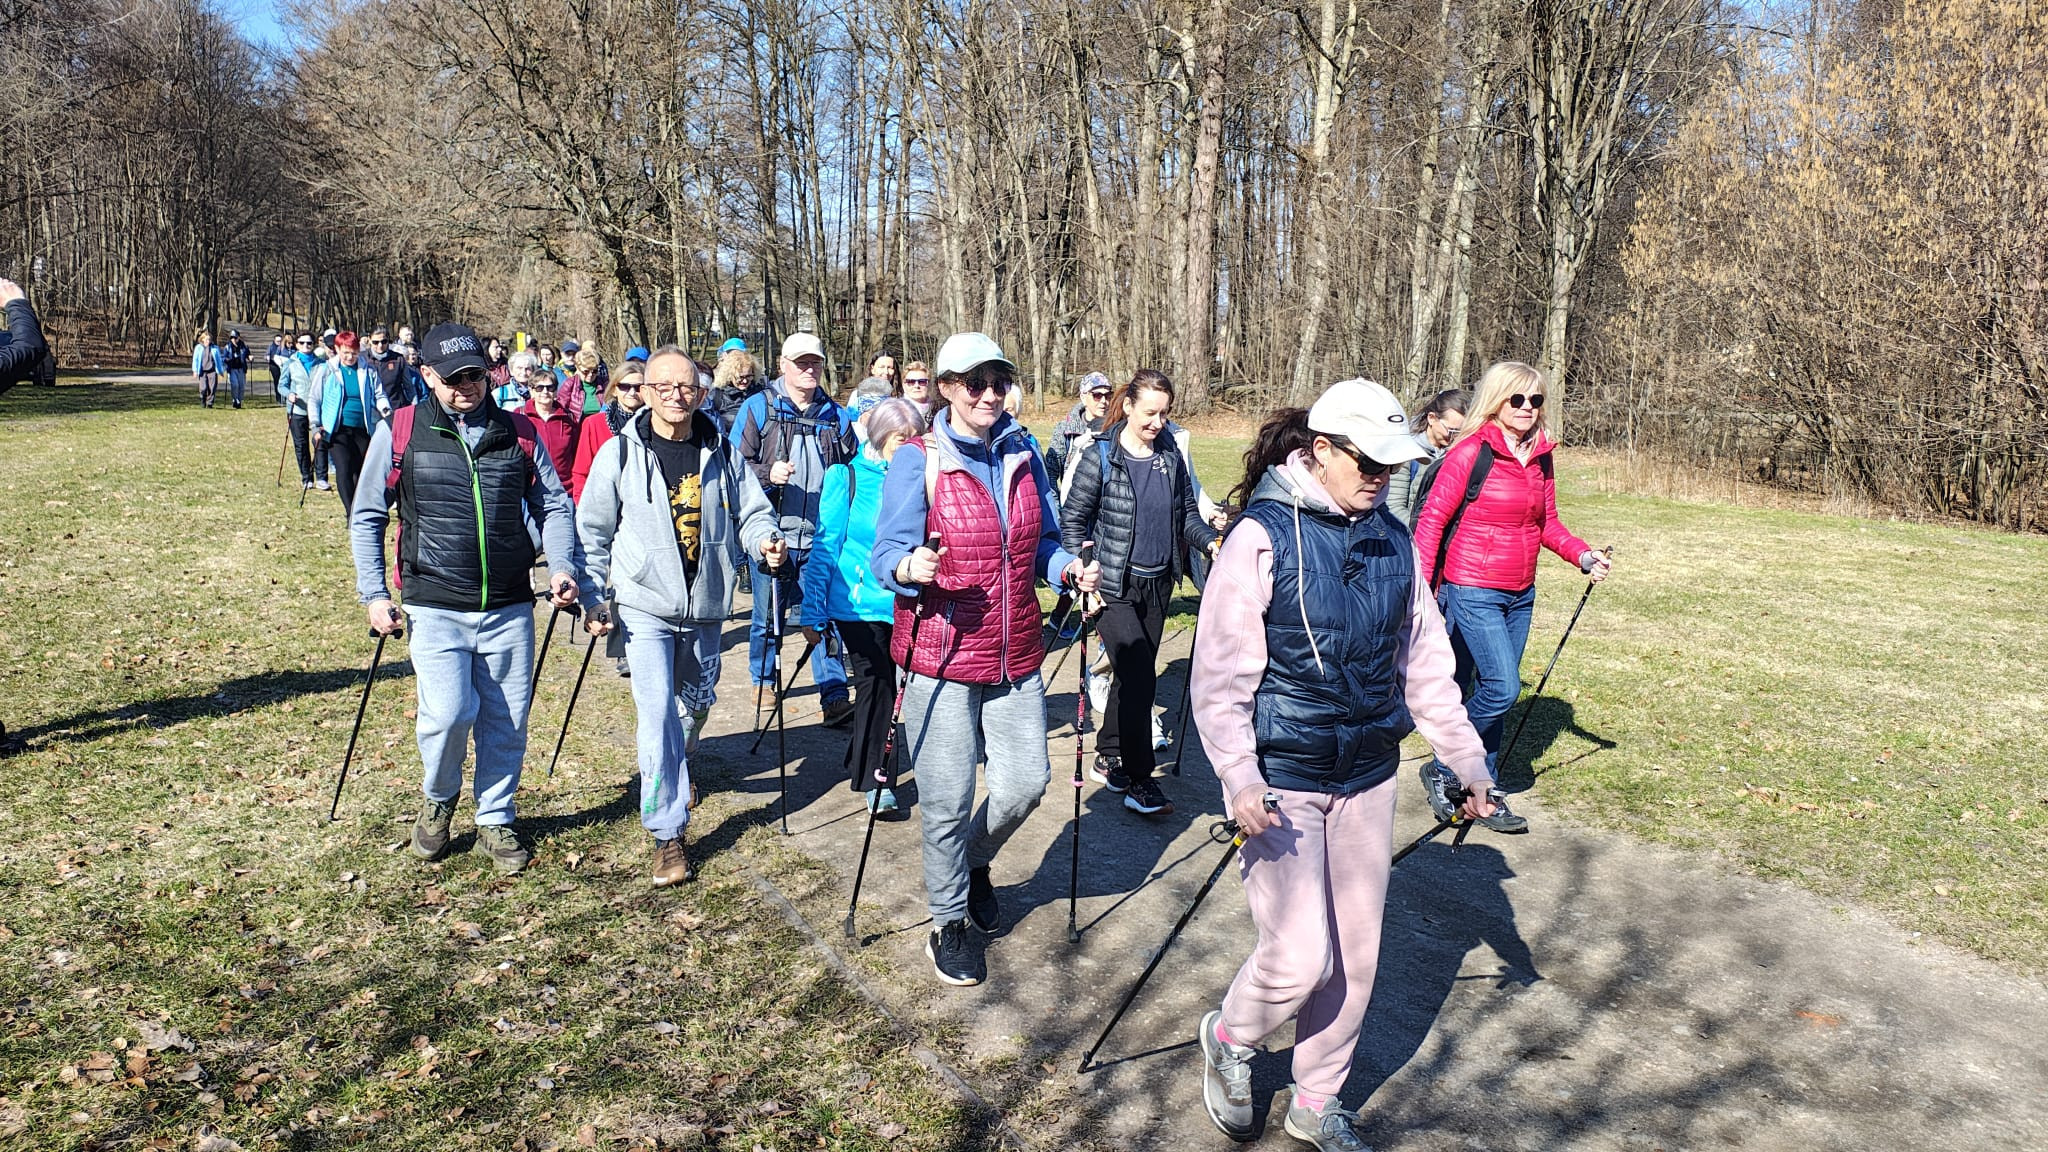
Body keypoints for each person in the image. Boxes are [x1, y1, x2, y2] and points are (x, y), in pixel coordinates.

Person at [1189, 380, 1500, 1149]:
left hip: (1366, 773)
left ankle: (1316, 1098)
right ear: (1320, 450)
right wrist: (1238, 777)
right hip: (1281, 781)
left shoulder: (1394, 540)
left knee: (1354, 959)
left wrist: (1466, 758)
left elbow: (1426, 662)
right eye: (1367, 461)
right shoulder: (1261, 538)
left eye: (1391, 466)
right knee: (1298, 957)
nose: (1379, 477)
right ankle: (1230, 1038)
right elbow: (1220, 679)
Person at [870, 332, 1098, 987]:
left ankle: (970, 864)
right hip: (940, 655)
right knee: (946, 799)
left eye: (999, 380)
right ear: (946, 388)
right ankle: (948, 921)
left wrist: (1066, 569)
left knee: (1027, 782)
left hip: (1016, 649)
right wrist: (910, 567)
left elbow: (1046, 541)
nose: (990, 393)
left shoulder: (1025, 452)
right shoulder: (920, 460)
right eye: (975, 382)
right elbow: (887, 554)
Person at [349, 322, 598, 876]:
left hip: (510, 602)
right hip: (434, 602)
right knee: (447, 714)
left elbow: (555, 506)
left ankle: (495, 817)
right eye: (455, 378)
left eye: (477, 376)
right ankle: (439, 799)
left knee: (507, 720)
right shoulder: (401, 432)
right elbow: (367, 515)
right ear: (428, 374)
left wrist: (561, 566)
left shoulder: (520, 433)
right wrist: (374, 593)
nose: (468, 387)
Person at [577, 347, 786, 885]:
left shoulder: (719, 446)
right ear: (644, 393)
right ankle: (667, 833)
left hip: (707, 604)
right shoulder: (619, 454)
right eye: (663, 387)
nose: (676, 395)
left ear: (701, 391)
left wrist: (765, 540)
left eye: (686, 387)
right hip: (643, 603)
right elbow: (593, 533)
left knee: (693, 708)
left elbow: (753, 510)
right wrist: (594, 596)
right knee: (657, 715)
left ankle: (680, 760)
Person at [1411, 362, 1610, 833]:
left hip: (1521, 592)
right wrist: (1420, 594)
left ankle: (1486, 790)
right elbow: (1431, 523)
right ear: (1497, 401)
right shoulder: (1470, 452)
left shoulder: (1541, 456)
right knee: (1503, 688)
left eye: (1536, 400)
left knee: (1490, 692)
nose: (1527, 408)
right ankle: (1444, 765)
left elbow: (1547, 523)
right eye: (1516, 399)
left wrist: (1582, 556)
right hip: (1471, 585)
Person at [1059, 370, 1219, 817]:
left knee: (1135, 673)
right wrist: (1080, 576)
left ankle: (1109, 754)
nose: (1158, 422)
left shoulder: (1169, 454)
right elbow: (1072, 520)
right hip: (1113, 585)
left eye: (1165, 414)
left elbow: (1186, 512)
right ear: (1127, 406)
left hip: (1158, 580)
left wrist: (1208, 541)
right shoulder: (1101, 456)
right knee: (1141, 677)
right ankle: (1139, 779)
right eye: (1150, 412)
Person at [801, 396, 926, 815]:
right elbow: (824, 546)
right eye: (900, 438)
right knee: (879, 683)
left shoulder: (922, 478)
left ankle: (860, 754)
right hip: (856, 605)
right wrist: (812, 611)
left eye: (915, 437)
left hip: (905, 600)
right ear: (880, 436)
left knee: (887, 686)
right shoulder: (847, 476)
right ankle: (878, 778)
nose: (908, 444)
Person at [729, 332, 858, 726]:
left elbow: (855, 469)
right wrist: (769, 473)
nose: (809, 369)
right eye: (801, 362)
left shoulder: (835, 417)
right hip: (774, 534)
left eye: (815, 362)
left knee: (824, 617)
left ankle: (834, 694)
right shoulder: (759, 409)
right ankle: (764, 681)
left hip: (822, 537)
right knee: (769, 617)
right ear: (783, 365)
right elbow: (732, 469)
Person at [307, 331, 392, 512]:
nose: (350, 357)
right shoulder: (327, 370)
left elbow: (379, 394)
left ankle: (359, 506)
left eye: (354, 352)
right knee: (344, 468)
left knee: (360, 471)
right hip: (337, 429)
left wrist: (386, 412)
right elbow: (314, 399)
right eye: (345, 352)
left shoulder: (368, 370)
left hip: (362, 428)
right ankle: (350, 512)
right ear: (337, 349)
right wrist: (315, 425)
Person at [1384, 387, 1470, 527]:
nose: (1455, 437)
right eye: (1451, 430)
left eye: (1461, 432)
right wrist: (1425, 533)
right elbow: (1394, 507)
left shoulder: (1462, 455)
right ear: (1432, 418)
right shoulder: (1407, 452)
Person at [568, 361, 645, 502]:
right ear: (614, 389)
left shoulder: (655, 424)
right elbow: (581, 472)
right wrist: (582, 507)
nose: (632, 392)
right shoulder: (594, 424)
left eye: (638, 387)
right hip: (603, 501)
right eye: (625, 387)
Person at [1046, 372, 1114, 499]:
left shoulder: (1117, 430)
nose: (1104, 401)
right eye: (1097, 395)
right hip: (1072, 506)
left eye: (1108, 395)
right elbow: (1050, 474)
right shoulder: (1065, 430)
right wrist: (1057, 510)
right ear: (1083, 397)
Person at [511, 364, 580, 481]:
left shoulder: (568, 417)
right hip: (530, 488)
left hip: (564, 487)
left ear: (556, 391)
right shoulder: (519, 416)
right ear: (531, 391)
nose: (545, 391)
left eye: (550, 388)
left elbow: (576, 453)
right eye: (539, 388)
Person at [278, 332, 327, 488]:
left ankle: (321, 477)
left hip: (317, 411)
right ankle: (306, 477)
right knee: (301, 444)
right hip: (297, 410)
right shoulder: (290, 363)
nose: (306, 346)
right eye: (302, 343)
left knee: (319, 442)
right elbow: (282, 385)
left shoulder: (321, 364)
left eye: (309, 343)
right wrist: (289, 394)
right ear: (297, 344)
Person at [711, 345, 763, 431]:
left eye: (749, 376)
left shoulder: (760, 392)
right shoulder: (717, 395)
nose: (745, 381)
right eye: (740, 377)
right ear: (729, 375)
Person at [364, 326, 416, 409]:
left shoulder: (398, 359)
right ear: (369, 340)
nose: (380, 345)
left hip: (396, 407)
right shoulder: (362, 359)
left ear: (388, 340)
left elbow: (409, 387)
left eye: (384, 341)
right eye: (375, 342)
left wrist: (415, 407)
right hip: (371, 410)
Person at [191, 329, 224, 409]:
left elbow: (219, 361)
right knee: (203, 388)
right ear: (202, 339)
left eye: (209, 339)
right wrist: (195, 371)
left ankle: (210, 403)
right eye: (206, 339)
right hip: (202, 371)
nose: (208, 341)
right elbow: (195, 360)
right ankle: (203, 399)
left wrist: (221, 371)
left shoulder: (215, 348)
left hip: (212, 371)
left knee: (212, 388)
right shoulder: (198, 348)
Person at [223, 330, 251, 409]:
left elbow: (247, 354)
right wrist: (226, 360)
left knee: (241, 386)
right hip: (232, 369)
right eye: (232, 338)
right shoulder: (228, 347)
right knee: (235, 385)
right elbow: (224, 357)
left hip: (241, 369)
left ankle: (239, 401)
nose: (234, 339)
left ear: (238, 337)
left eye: (235, 337)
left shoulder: (243, 346)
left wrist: (250, 357)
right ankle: (235, 400)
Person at [267, 333, 290, 403]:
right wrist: (268, 357)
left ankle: (286, 397)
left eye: (280, 341)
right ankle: (279, 398)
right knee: (277, 381)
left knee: (286, 380)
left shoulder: (283, 346)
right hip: (274, 366)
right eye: (277, 341)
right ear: (274, 341)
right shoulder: (271, 347)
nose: (279, 342)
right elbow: (267, 354)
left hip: (283, 366)